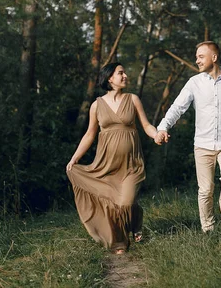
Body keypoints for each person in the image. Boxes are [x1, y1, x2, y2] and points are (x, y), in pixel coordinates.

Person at [155, 41, 221, 233]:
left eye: (201, 56)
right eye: (196, 56)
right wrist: (163, 127)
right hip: (202, 144)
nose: (196, 60)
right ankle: (208, 229)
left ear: (214, 58)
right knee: (205, 190)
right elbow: (177, 107)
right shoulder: (194, 83)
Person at [66, 62, 159, 254]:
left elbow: (147, 126)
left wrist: (156, 134)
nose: (125, 76)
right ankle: (119, 243)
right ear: (110, 78)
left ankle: (135, 219)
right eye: (121, 73)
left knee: (125, 203)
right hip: (106, 165)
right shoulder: (96, 105)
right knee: (114, 204)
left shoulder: (132, 99)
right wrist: (74, 158)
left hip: (131, 164)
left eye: (125, 72)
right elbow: (90, 135)